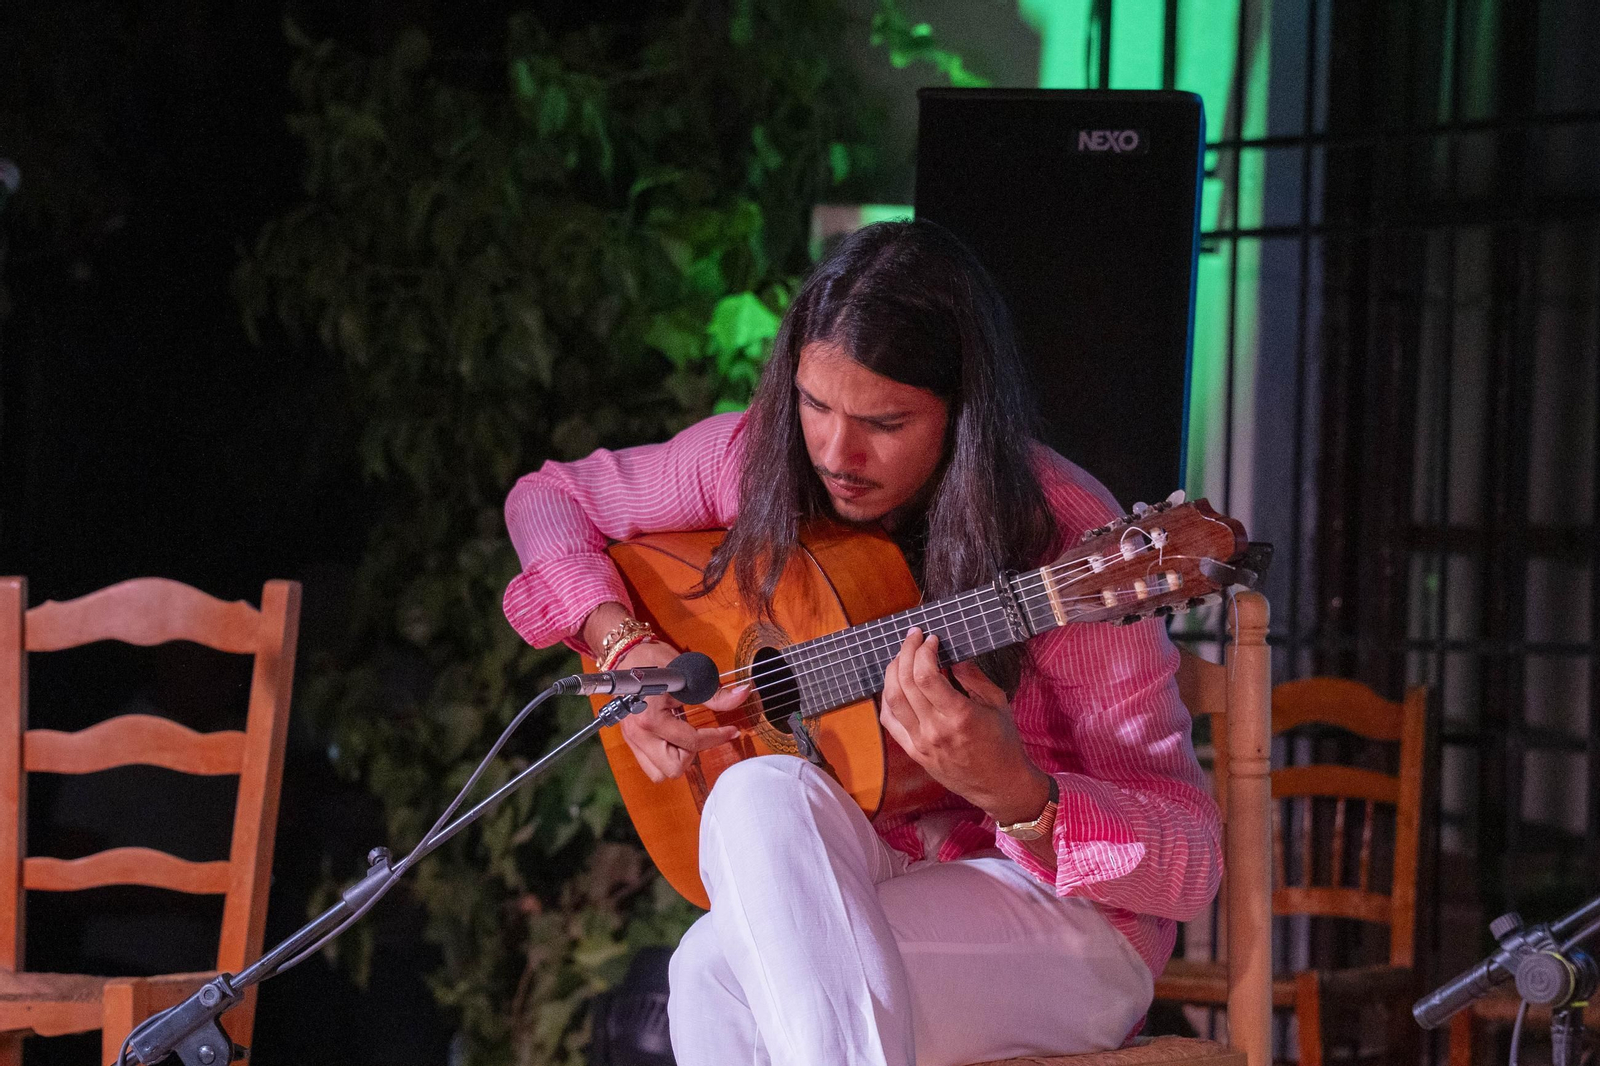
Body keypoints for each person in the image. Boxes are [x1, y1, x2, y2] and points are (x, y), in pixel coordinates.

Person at [502, 219, 1222, 1066]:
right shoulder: (761, 461)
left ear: (962, 416)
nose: (836, 452)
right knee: (752, 795)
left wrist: (1022, 793)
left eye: (885, 421)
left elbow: (1193, 866)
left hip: (1067, 925)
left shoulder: (1062, 539)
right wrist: (625, 651)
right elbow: (548, 502)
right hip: (883, 874)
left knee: (709, 971)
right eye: (813, 404)